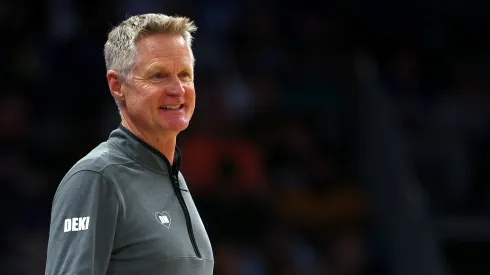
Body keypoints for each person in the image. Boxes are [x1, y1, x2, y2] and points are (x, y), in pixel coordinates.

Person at [45, 13, 214, 275]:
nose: (177, 89)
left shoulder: (173, 177)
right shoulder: (96, 177)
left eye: (184, 74)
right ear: (117, 85)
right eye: (158, 76)